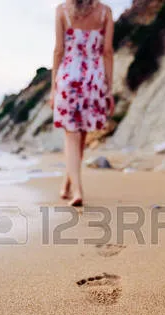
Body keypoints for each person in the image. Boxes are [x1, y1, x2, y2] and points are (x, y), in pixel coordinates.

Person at [49, 0, 115, 207]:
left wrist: (53, 87)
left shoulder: (62, 11)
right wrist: (108, 88)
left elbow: (59, 50)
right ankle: (68, 185)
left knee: (72, 136)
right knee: (82, 134)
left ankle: (77, 190)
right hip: (93, 79)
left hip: (69, 76)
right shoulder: (104, 12)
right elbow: (107, 51)